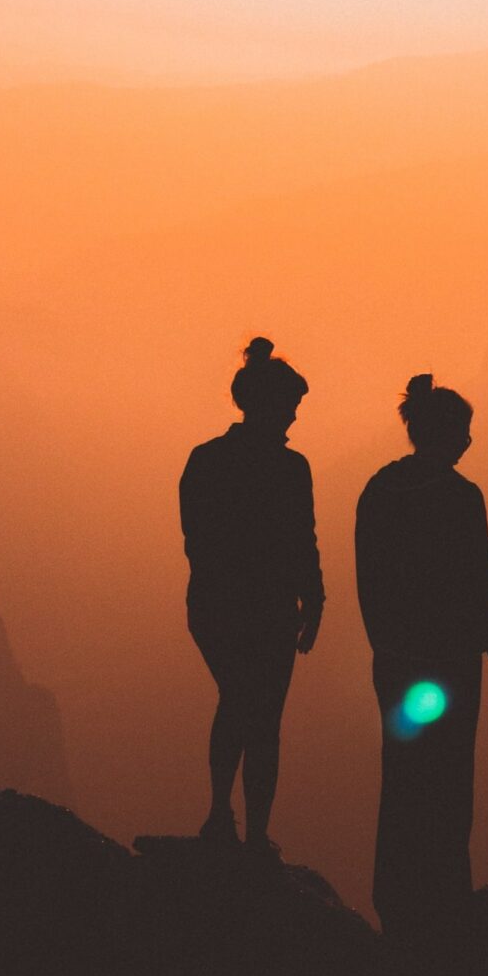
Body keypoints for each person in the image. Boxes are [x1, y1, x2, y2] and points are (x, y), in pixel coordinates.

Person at [355, 374, 488, 937]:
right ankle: (446, 892)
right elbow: (483, 583)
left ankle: (396, 892)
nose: (470, 441)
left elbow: (368, 578)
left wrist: (385, 643)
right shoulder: (459, 496)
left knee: (402, 773)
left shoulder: (380, 489)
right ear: (445, 432)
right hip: (452, 661)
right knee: (449, 775)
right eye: (465, 430)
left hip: (397, 660)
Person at [179, 336, 324, 855]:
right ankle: (246, 829)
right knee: (258, 713)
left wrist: (314, 597)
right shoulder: (287, 468)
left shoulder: (207, 460)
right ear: (265, 404)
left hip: (224, 607)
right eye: (290, 407)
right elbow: (300, 539)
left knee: (243, 705)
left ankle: (228, 819)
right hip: (258, 608)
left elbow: (198, 541)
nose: (293, 418)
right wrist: (313, 598)